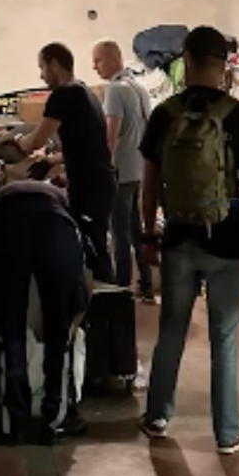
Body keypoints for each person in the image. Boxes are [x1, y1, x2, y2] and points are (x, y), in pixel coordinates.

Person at [137, 26, 239, 455]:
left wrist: (147, 232)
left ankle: (157, 416)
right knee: (223, 338)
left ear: (186, 61)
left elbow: (149, 186)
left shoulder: (164, 114)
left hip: (178, 239)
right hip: (227, 241)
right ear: (223, 65)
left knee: (171, 330)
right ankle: (227, 434)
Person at [0, 145, 91, 445]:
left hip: (6, 230)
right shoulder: (60, 193)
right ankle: (55, 420)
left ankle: (13, 423)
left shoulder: (2, 194)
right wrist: (75, 310)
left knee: (10, 331)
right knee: (58, 332)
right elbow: (82, 279)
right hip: (56, 229)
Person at [14, 42, 116, 283]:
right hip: (99, 183)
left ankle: (109, 302)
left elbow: (34, 142)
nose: (41, 75)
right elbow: (88, 144)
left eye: (42, 68)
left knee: (94, 252)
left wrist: (15, 140)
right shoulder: (84, 91)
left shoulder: (63, 95)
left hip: (90, 187)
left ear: (54, 65)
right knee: (94, 248)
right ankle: (102, 300)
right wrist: (52, 162)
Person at [92, 38, 155, 302]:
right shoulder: (139, 87)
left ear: (114, 58)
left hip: (121, 172)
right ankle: (146, 284)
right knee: (136, 228)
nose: (94, 67)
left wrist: (98, 169)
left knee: (119, 231)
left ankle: (120, 290)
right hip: (140, 170)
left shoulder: (115, 90)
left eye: (98, 61)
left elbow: (110, 138)